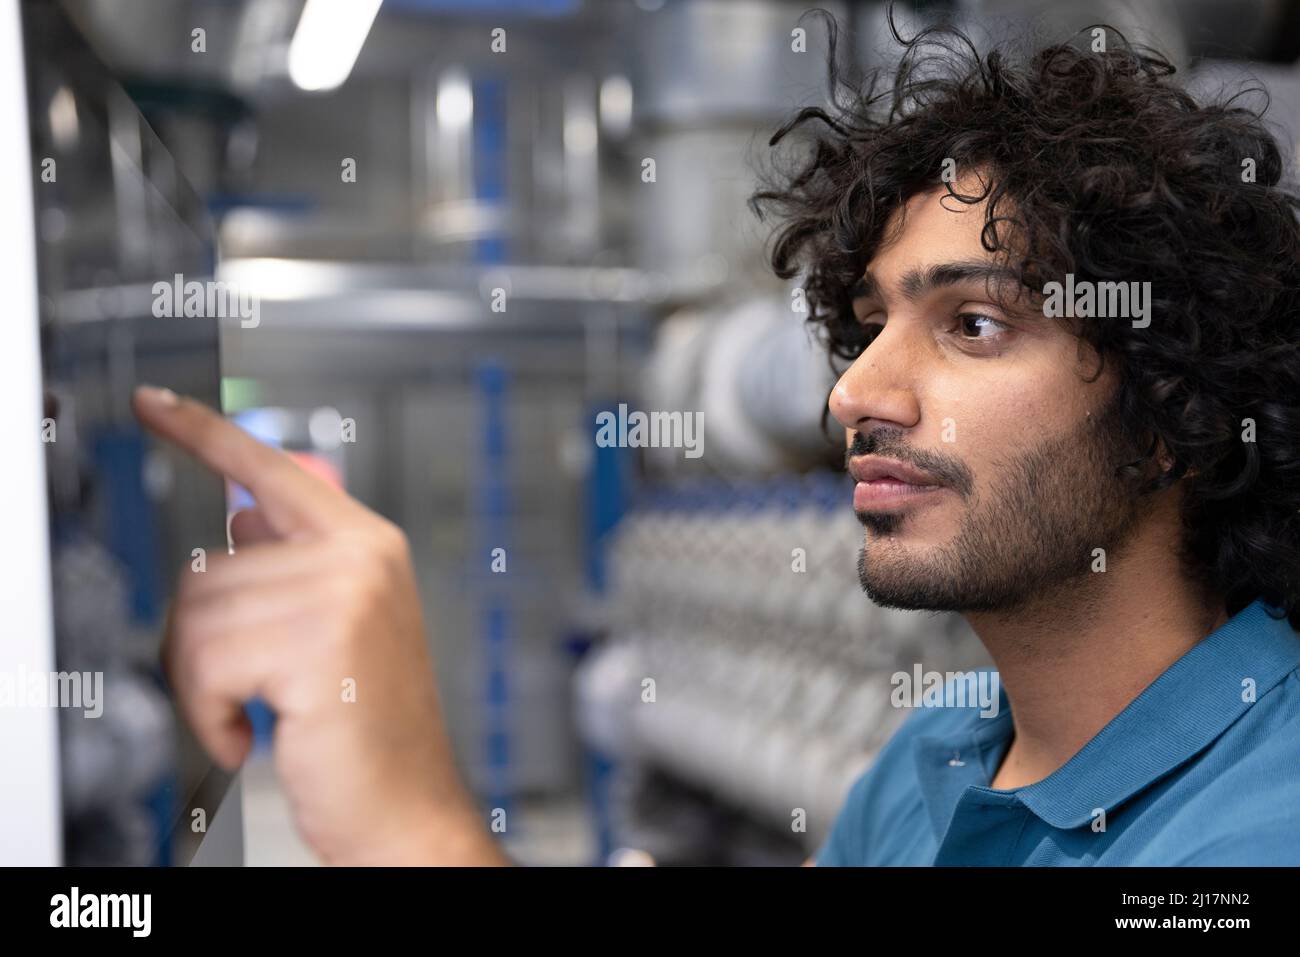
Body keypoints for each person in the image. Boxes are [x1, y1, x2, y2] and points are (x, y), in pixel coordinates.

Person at [132, 13, 1300, 866]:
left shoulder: (1256, 828)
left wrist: (414, 829)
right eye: (865, 329)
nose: (853, 397)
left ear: (1171, 414)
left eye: (974, 323)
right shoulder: (934, 761)